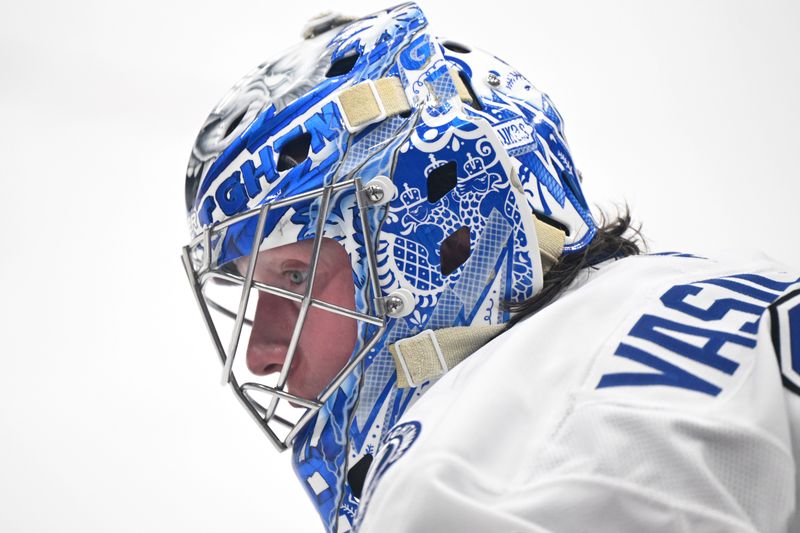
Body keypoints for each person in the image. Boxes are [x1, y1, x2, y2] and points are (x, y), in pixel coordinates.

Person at [181, 4, 800, 532]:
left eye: (294, 277)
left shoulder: (465, 474)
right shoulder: (742, 282)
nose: (260, 352)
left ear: (439, 236)